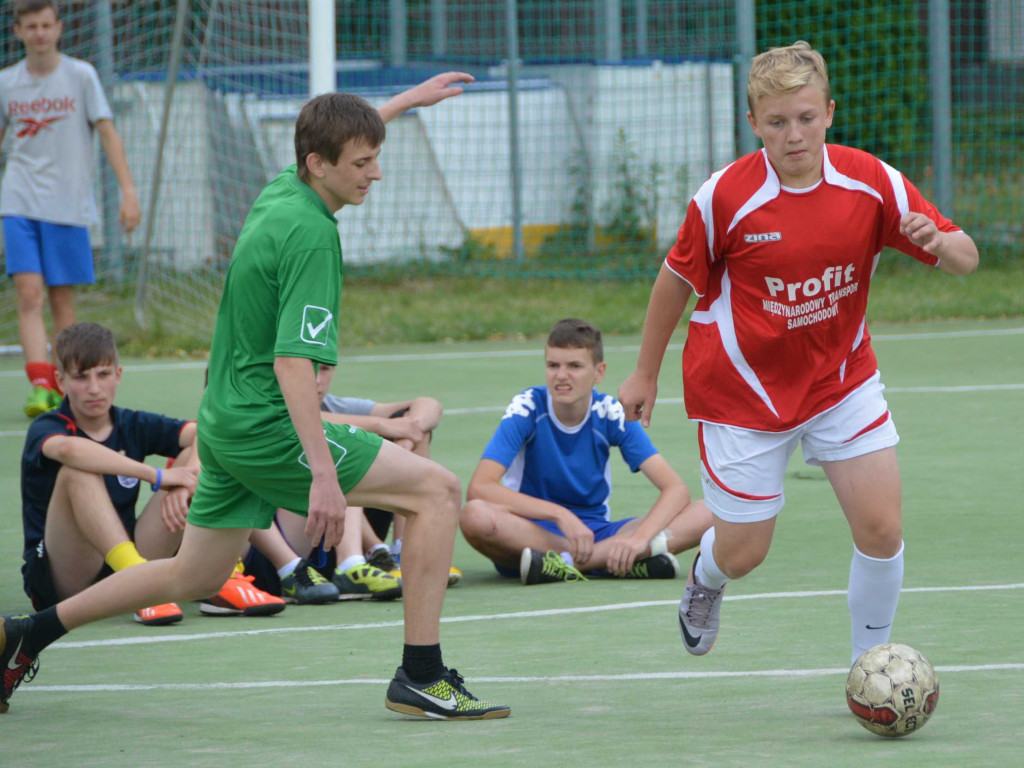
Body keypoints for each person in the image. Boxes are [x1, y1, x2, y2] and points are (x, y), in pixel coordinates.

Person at [1, 74, 510, 721]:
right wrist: (323, 475)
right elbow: (293, 361)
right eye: (364, 162)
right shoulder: (312, 236)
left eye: (376, 157)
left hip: (224, 421)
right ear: (319, 165)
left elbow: (336, 139)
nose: (375, 174)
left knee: (192, 578)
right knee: (436, 491)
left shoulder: (284, 190)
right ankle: (422, 674)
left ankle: (27, 631)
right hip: (266, 424)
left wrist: (404, 103)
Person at [616, 41, 978, 664]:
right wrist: (644, 371)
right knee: (744, 550)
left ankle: (873, 663)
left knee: (882, 530)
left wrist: (939, 242)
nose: (794, 135)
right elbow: (676, 280)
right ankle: (707, 577)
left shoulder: (870, 181)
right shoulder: (725, 198)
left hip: (841, 380)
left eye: (806, 118)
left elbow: (966, 257)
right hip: (741, 393)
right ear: (753, 124)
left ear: (830, 113)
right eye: (777, 122)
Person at [18, 322, 285, 629]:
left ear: (118, 375)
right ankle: (138, 583)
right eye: (81, 377)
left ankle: (223, 579)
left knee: (202, 455)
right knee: (78, 473)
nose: (93, 388)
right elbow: (69, 451)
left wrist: (185, 484)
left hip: (127, 556)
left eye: (103, 375)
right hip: (64, 577)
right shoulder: (48, 426)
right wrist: (157, 476)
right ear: (61, 381)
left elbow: (204, 432)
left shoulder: (131, 422)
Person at [460, 318, 712, 584]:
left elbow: (676, 490)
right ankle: (609, 563)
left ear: (599, 372)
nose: (561, 375)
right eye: (553, 365)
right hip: (530, 535)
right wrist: (560, 514)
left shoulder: (609, 412)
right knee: (474, 516)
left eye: (575, 366)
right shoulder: (528, 407)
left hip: (596, 534)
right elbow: (480, 487)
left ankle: (570, 564)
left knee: (709, 512)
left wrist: (638, 540)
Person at [0, 0, 141, 418]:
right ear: (18, 32)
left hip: (66, 204)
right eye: (31, 26)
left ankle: (67, 383)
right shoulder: (7, 82)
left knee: (62, 300)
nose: (40, 33)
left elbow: (108, 132)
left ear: (59, 28)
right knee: (28, 294)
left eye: (46, 25)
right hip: (18, 200)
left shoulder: (81, 76)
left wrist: (128, 190)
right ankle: (40, 385)